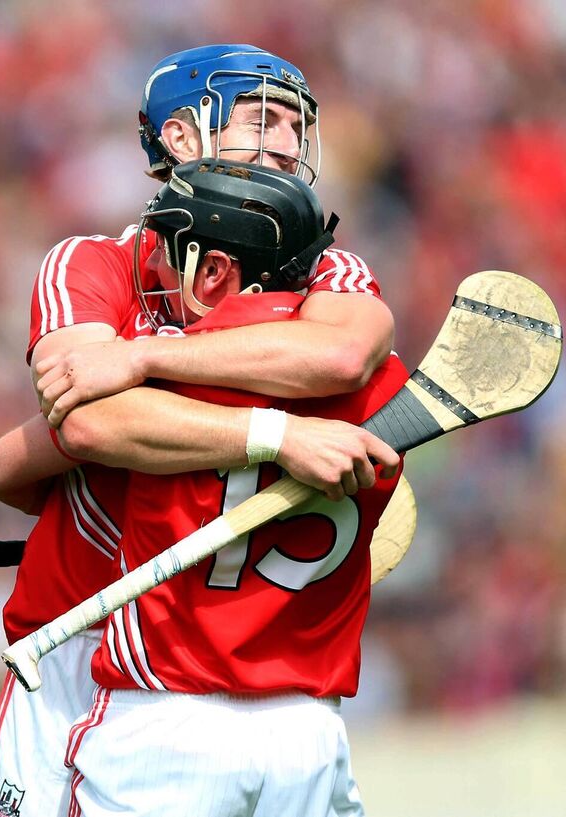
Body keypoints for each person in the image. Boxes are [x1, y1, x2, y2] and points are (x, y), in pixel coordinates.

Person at [0, 45, 396, 817]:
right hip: (74, 636)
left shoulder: (327, 269)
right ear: (182, 139)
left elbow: (340, 351)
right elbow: (71, 426)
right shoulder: (91, 263)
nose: (288, 144)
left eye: (297, 126)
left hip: (203, 675)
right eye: (264, 118)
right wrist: (265, 425)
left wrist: (139, 361)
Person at [56, 158, 408, 817]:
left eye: (169, 247)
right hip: (308, 734)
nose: (156, 265)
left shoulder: (160, 373)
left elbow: (72, 430)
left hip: (164, 724)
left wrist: (141, 360)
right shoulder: (387, 382)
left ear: (215, 269)